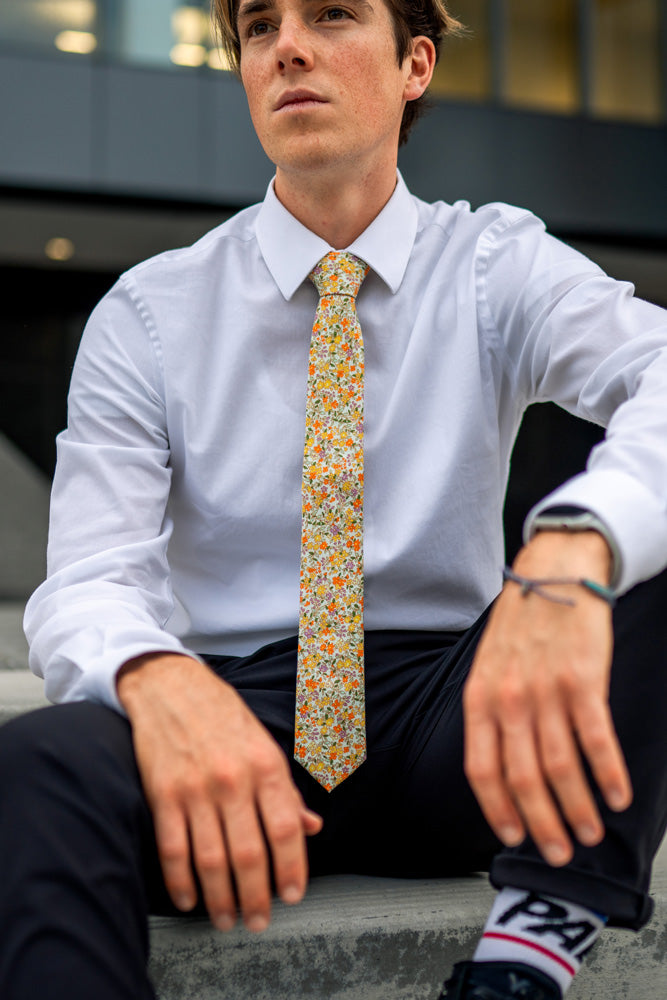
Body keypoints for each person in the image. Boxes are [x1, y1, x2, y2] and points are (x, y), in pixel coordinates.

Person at [1, 0, 666, 997]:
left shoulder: (491, 264)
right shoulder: (149, 312)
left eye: (331, 15)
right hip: (243, 713)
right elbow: (92, 575)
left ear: (415, 65)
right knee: (36, 768)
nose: (288, 47)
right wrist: (155, 675)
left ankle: (528, 951)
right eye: (259, 26)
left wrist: (574, 548)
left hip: (461, 715)